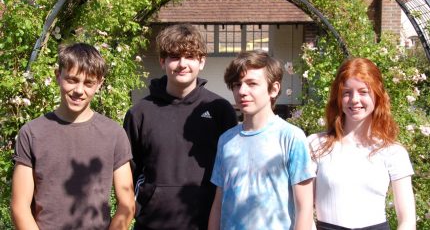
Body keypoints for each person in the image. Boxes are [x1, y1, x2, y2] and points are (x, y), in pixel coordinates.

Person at [123, 24, 238, 230]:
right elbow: (128, 174)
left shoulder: (220, 110)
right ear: (162, 61)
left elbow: (232, 170)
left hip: (207, 223)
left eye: (190, 56)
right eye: (175, 57)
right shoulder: (139, 113)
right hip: (153, 223)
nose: (182, 64)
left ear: (201, 62)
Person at [11, 43, 135, 230]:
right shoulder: (32, 133)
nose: (79, 90)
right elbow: (19, 206)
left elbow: (127, 204)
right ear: (57, 76)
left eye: (88, 83)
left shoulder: (114, 134)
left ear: (99, 84)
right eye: (72, 80)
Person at [208, 50, 315, 230]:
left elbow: (304, 208)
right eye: (236, 84)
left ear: (274, 89)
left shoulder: (291, 137)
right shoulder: (226, 140)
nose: (242, 91)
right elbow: (219, 202)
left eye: (252, 84)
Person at [308, 57, 416, 229]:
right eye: (347, 92)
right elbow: (303, 213)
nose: (354, 99)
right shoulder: (315, 145)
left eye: (363, 92)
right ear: (338, 97)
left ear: (377, 95)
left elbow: (408, 221)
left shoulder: (393, 152)